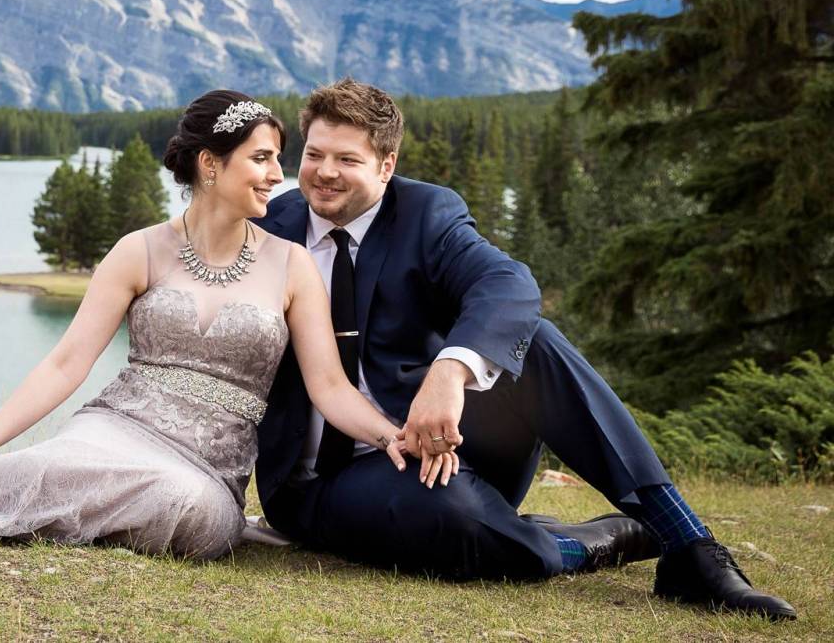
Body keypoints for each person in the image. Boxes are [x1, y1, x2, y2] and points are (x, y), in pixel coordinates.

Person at [0, 89, 458, 559]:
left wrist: (395, 434)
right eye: (263, 157)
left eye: (280, 156)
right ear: (211, 166)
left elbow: (331, 390)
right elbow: (65, 365)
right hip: (116, 427)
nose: (282, 175)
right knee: (53, 466)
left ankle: (0, 507)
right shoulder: (140, 249)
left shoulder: (291, 266)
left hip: (206, 472)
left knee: (182, 507)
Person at [252, 78, 795, 620]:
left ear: (386, 166)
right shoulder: (268, 228)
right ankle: (584, 545)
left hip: (446, 438)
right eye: (315, 154)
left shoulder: (425, 214)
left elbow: (508, 284)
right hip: (325, 481)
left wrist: (449, 371)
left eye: (347, 158)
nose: (323, 172)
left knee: (536, 341)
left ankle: (688, 545)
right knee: (453, 519)